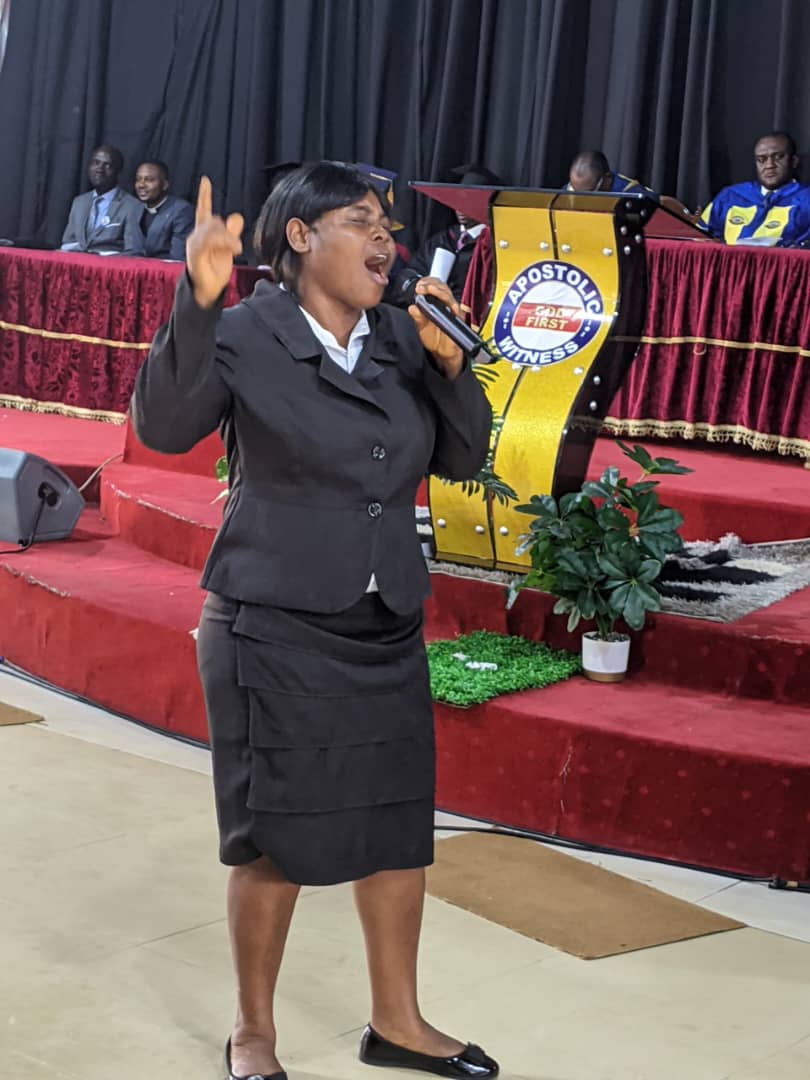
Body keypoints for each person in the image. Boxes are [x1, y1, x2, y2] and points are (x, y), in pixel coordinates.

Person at [130, 162, 498, 1080]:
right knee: (277, 836)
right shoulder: (244, 333)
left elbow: (464, 457)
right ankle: (252, 1031)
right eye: (362, 222)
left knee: (397, 827)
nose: (386, 241)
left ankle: (397, 1022)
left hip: (385, 619)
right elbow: (165, 427)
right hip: (273, 621)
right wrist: (197, 300)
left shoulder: (403, 337)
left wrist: (450, 366)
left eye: (389, 228)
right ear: (300, 236)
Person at [393, 163, 502, 303]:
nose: (460, 207)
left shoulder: (492, 246)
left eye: (469, 201)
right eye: (458, 200)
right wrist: (417, 286)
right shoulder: (441, 239)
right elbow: (411, 271)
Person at [700, 131, 810, 247]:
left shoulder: (806, 199)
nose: (769, 165)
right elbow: (700, 237)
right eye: (761, 159)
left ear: (794, 161)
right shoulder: (730, 196)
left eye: (778, 157)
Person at [60, 145, 145, 255]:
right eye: (96, 163)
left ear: (118, 171)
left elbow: (134, 251)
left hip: (110, 265)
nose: (99, 169)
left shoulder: (132, 206)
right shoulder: (79, 202)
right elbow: (67, 243)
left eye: (107, 165)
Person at [134, 159, 194, 260]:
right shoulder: (135, 208)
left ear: (164, 185)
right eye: (138, 179)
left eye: (149, 180)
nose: (141, 185)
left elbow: (178, 256)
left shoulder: (180, 210)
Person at [566, 150, 659, 199]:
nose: (581, 199)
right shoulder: (573, 189)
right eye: (574, 191)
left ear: (608, 178)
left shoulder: (631, 193)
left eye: (589, 194)